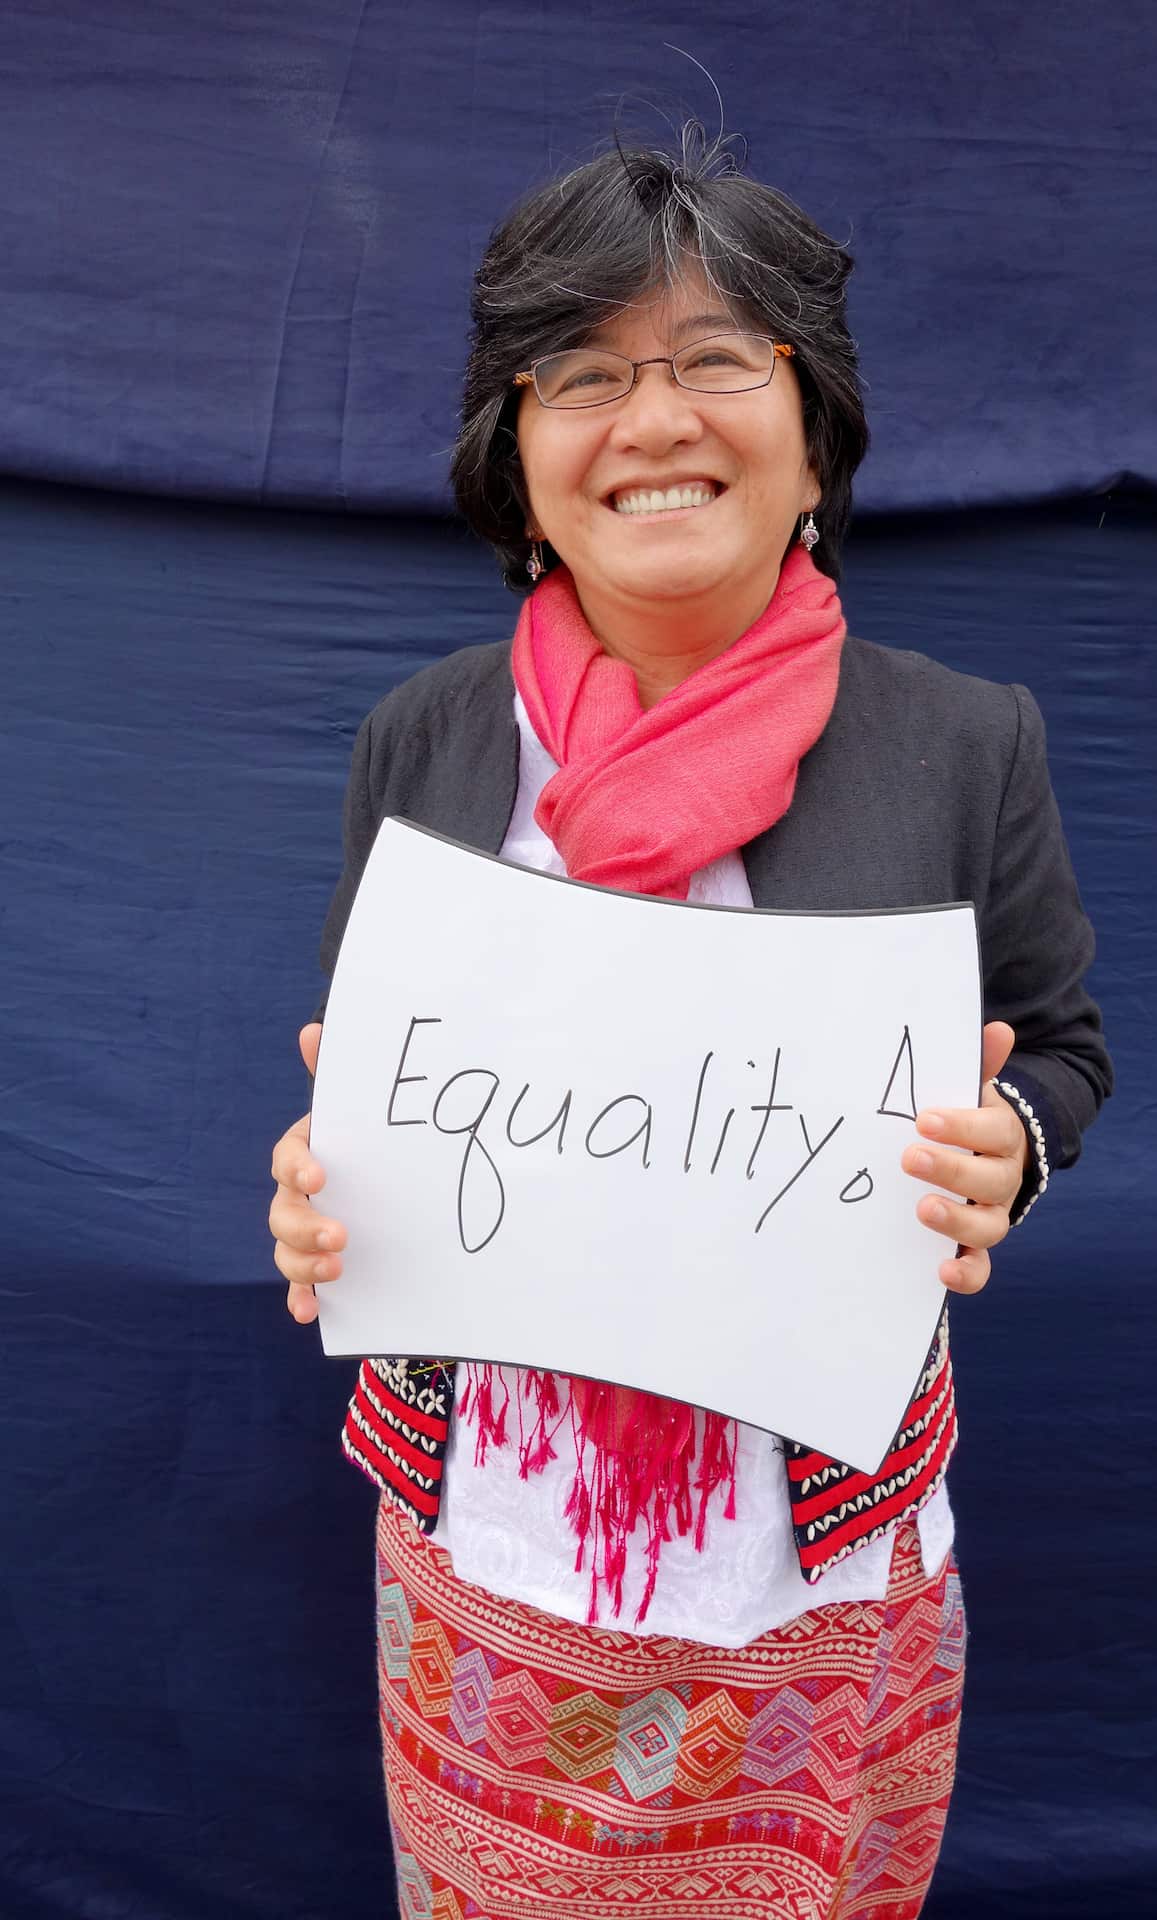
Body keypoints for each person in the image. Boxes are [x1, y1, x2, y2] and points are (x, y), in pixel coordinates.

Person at [268, 125, 1112, 1920]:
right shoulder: (423, 742)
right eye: (580, 377)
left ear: (815, 437)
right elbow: (371, 1085)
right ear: (520, 460)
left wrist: (1006, 1150)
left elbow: (1062, 1047)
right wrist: (317, 1187)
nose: (651, 421)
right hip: (489, 1551)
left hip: (808, 1567)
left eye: (718, 362)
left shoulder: (964, 745)